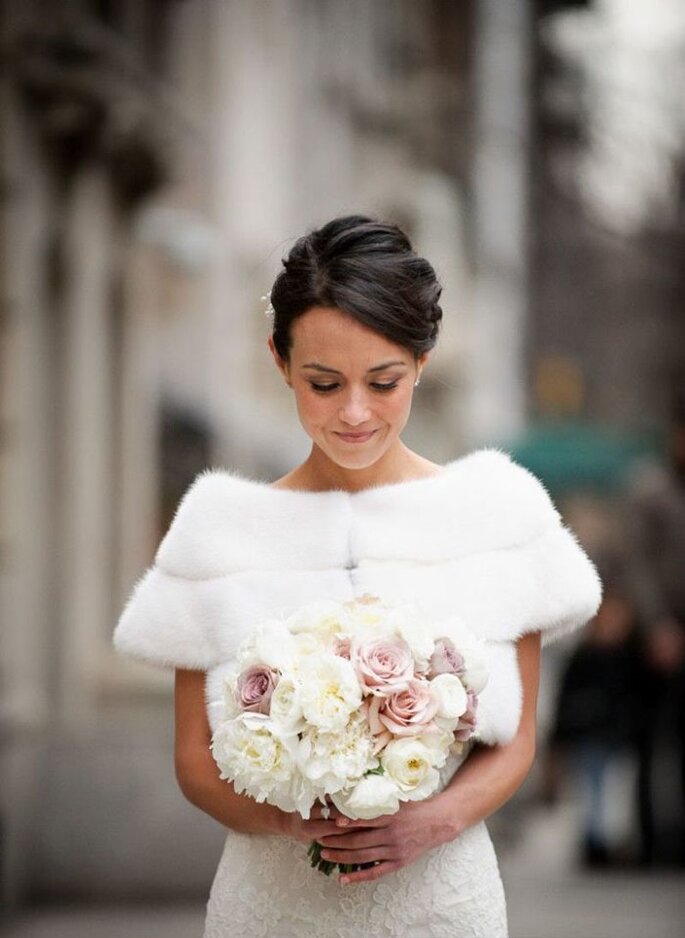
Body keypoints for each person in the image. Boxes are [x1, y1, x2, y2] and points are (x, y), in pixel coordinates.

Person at [113, 215, 602, 937]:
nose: (353, 412)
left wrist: (431, 822)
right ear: (279, 361)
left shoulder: (496, 511)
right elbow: (194, 759)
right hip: (270, 907)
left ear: (421, 361)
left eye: (383, 382)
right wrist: (290, 819)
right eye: (322, 382)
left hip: (442, 903)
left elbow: (518, 739)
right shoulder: (219, 528)